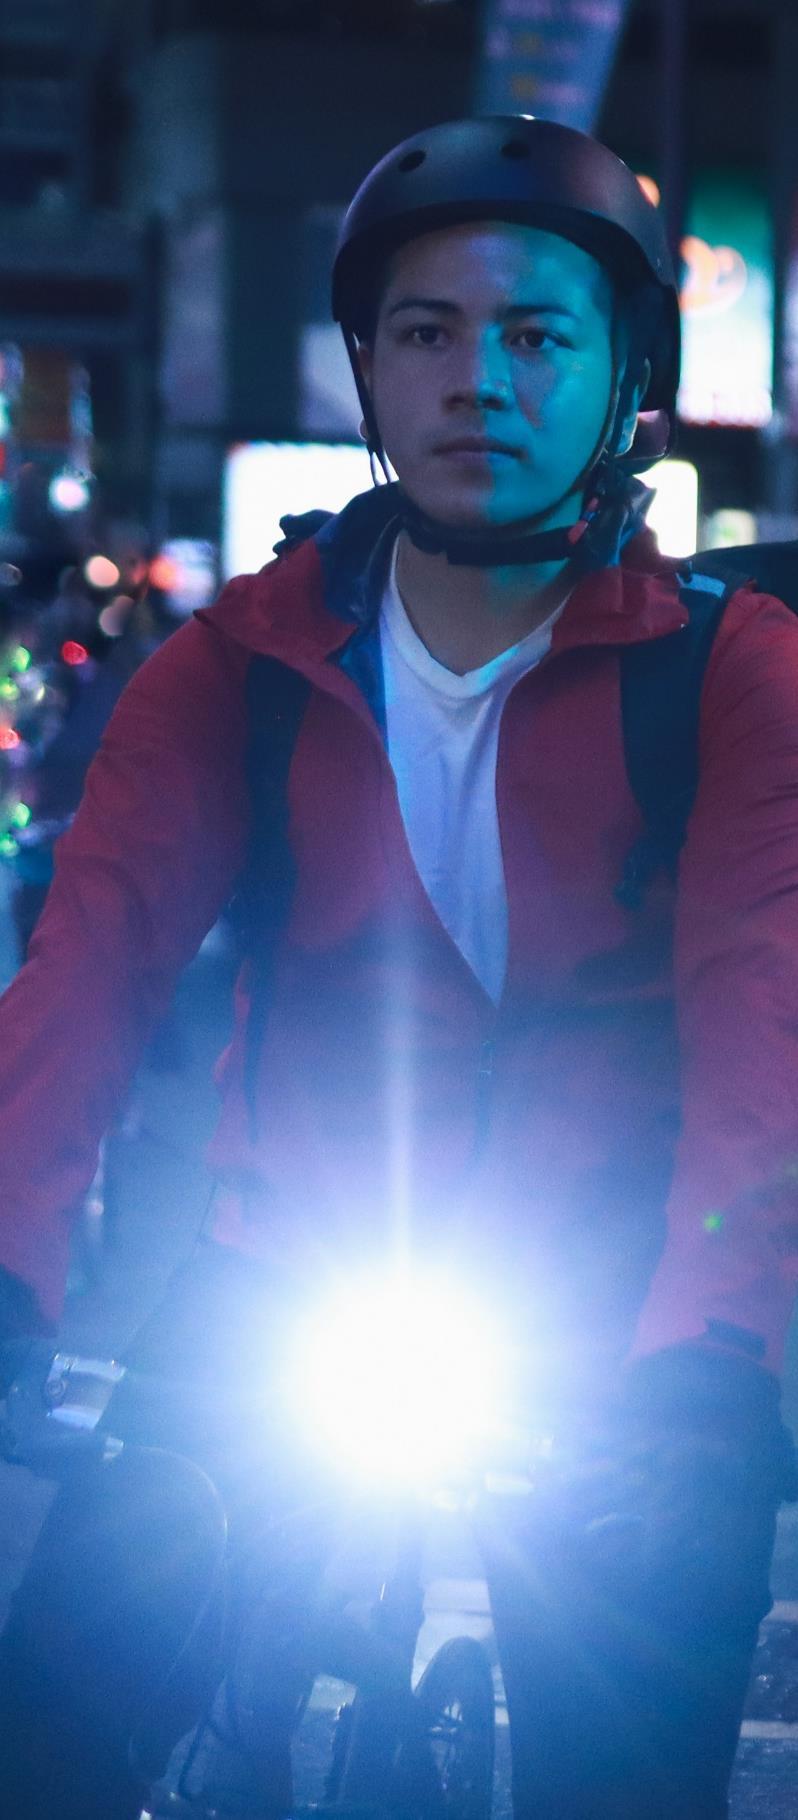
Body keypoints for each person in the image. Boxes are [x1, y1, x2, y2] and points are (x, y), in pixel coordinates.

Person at [0, 114, 797, 1820]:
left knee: (621, 1770)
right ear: (366, 367)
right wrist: (7, 1270)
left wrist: (707, 1361)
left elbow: (764, 1042)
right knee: (52, 1716)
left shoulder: (732, 676)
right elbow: (84, 972)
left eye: (536, 336)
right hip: (286, 1281)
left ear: (626, 380)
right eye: (425, 332)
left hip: (620, 1320)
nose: (476, 380)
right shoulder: (239, 663)